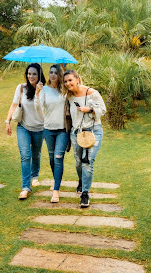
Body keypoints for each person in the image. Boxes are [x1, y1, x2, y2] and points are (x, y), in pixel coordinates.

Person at [63, 70, 106, 207]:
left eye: (70, 80)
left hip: (93, 132)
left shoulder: (92, 93)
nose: (68, 83)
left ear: (77, 79)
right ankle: (82, 181)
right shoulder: (68, 96)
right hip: (76, 133)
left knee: (87, 162)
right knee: (78, 162)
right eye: (65, 81)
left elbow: (103, 110)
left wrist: (90, 109)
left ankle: (85, 194)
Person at [5, 63, 46, 200]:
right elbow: (14, 105)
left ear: (39, 75)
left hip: (39, 128)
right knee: (25, 155)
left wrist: (39, 93)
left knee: (36, 153)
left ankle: (35, 175)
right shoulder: (21, 88)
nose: (31, 76)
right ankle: (25, 187)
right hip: (23, 127)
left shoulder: (45, 90)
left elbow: (45, 110)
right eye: (29, 73)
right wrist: (7, 121)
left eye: (34, 74)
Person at [35, 65, 69, 203]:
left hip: (62, 129)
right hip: (48, 129)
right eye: (51, 72)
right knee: (51, 157)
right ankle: (56, 181)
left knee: (58, 157)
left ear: (60, 75)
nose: (53, 75)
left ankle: (56, 190)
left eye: (56, 73)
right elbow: (38, 107)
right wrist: (37, 93)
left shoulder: (65, 91)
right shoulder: (44, 90)